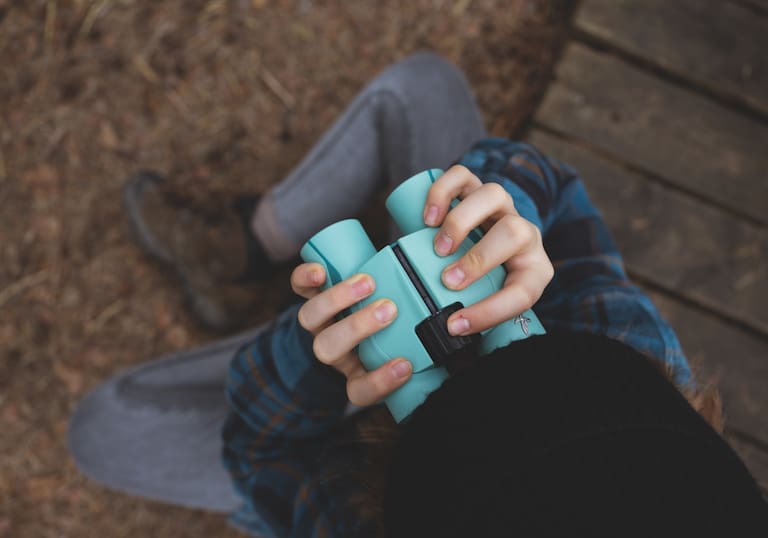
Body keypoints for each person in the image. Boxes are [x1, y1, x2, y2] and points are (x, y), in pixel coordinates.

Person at [68, 53, 768, 537]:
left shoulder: (354, 520)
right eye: (551, 371)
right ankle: (251, 246)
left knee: (100, 432)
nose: (479, 366)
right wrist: (504, 210)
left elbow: (260, 455)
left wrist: (315, 356)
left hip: (335, 450)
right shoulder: (637, 358)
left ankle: (284, 280)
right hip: (446, 424)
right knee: (423, 88)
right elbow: (559, 194)